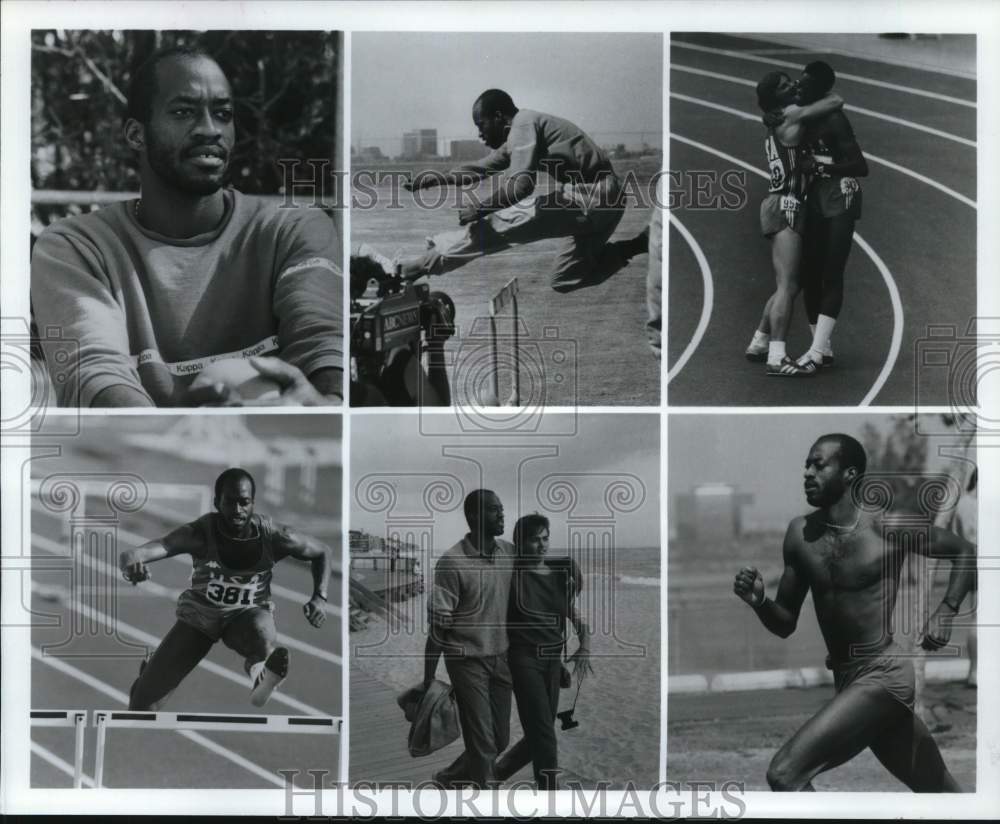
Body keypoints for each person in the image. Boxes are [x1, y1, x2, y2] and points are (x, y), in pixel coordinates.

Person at [31, 45, 343, 407]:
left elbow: (322, 341)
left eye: (223, 114)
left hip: (281, 449)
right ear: (136, 134)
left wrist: (326, 406)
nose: (211, 129)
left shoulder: (292, 230)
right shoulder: (75, 247)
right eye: (183, 112)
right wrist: (183, 430)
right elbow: (95, 375)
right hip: (145, 458)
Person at [733, 434, 975, 791]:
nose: (807, 473)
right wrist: (759, 602)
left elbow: (965, 552)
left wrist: (947, 609)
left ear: (849, 474)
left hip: (884, 674)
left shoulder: (888, 526)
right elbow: (785, 622)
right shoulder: (800, 535)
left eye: (819, 464)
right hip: (847, 679)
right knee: (940, 792)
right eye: (806, 465)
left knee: (784, 773)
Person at [367, 89, 648, 292]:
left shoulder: (523, 124)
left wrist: (480, 208)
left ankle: (411, 268)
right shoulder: (522, 133)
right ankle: (639, 244)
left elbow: (522, 186)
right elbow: (481, 168)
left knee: (498, 225)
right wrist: (436, 179)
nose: (480, 134)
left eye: (481, 125)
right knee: (565, 279)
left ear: (499, 117)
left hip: (593, 195)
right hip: (608, 201)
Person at [119, 468, 332, 710]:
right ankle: (146, 681)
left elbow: (322, 551)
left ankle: (261, 671)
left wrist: (320, 597)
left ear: (253, 503)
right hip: (199, 618)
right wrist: (132, 568)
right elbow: (134, 554)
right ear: (217, 503)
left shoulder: (275, 536)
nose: (238, 511)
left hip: (245, 614)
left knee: (261, 632)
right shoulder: (198, 534)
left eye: (244, 503)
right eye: (231, 502)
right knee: (141, 709)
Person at [744, 72, 844, 376]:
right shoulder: (791, 114)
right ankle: (777, 356)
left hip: (784, 202)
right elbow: (836, 100)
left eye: (792, 82)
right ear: (777, 98)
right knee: (788, 285)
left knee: (791, 283)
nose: (794, 87)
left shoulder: (777, 119)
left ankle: (760, 341)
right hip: (785, 202)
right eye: (786, 86)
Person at [423, 489, 515, 788]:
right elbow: (438, 629)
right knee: (483, 743)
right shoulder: (452, 563)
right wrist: (427, 681)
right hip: (466, 663)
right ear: (474, 515)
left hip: (502, 659)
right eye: (494, 510)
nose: (502, 514)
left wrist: (570, 569)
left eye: (501, 508)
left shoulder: (509, 552)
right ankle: (486, 802)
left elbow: (540, 574)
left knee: (500, 739)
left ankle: (448, 777)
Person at [494, 513, 592, 789]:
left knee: (540, 734)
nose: (542, 545)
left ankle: (493, 776)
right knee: (545, 736)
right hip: (522, 659)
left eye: (545, 539)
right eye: (534, 540)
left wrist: (585, 646)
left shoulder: (561, 577)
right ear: (520, 544)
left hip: (552, 662)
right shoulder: (509, 576)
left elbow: (578, 619)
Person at [794, 61, 869, 372]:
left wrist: (822, 167)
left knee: (831, 272)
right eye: (797, 81)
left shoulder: (835, 121)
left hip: (840, 195)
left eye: (804, 83)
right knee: (809, 275)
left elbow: (861, 166)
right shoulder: (801, 116)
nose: (798, 86)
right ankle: (821, 347)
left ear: (819, 89)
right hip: (814, 198)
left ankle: (813, 352)